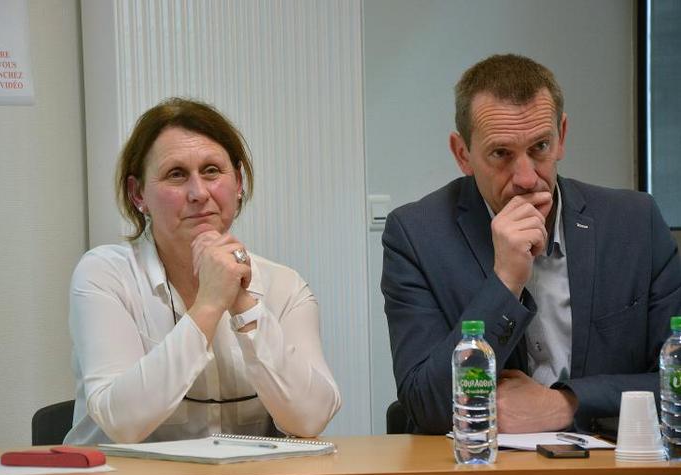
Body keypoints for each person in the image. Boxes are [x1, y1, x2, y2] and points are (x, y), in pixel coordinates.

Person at [381, 54, 681, 440]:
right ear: (462, 155)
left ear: (562, 137)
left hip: (608, 474)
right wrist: (505, 282)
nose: (526, 178)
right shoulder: (417, 235)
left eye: (540, 146)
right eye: (501, 154)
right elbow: (426, 406)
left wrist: (564, 404)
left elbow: (674, 382)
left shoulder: (634, 223)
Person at [65, 98, 341, 445]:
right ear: (138, 195)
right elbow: (122, 423)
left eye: (212, 171)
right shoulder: (104, 274)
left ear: (238, 183)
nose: (198, 193)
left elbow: (312, 418)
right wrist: (209, 305)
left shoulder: (285, 286)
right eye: (176, 175)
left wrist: (242, 302)